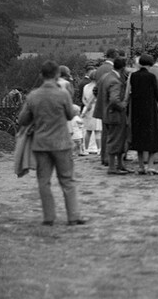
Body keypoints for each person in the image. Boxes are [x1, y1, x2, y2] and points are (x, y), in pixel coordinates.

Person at [17, 60, 85, 226]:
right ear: (56, 75)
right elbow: (70, 115)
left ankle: (49, 218)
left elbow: (23, 120)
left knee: (44, 181)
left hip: (41, 144)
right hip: (62, 143)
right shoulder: (63, 94)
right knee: (67, 180)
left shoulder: (33, 96)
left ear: (41, 75)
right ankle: (73, 216)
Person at [127, 54, 158, 175]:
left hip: (136, 110)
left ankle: (141, 166)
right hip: (149, 110)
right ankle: (150, 166)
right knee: (152, 138)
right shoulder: (151, 77)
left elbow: (130, 92)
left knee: (139, 138)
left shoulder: (133, 76)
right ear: (150, 64)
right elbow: (156, 94)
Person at [104, 57, 131, 175]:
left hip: (109, 113)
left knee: (118, 139)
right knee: (115, 140)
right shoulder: (115, 81)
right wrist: (123, 105)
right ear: (123, 68)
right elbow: (114, 100)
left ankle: (120, 165)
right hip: (116, 115)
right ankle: (112, 167)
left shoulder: (107, 77)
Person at [92, 50, 119, 167]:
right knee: (111, 133)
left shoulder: (99, 69)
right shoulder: (111, 71)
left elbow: (96, 89)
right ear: (114, 57)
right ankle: (108, 157)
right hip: (110, 105)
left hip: (101, 104)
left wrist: (99, 99)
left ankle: (104, 156)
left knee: (104, 132)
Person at [81, 69, 102, 155]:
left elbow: (83, 98)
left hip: (87, 108)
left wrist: (86, 105)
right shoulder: (97, 87)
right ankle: (99, 149)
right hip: (95, 107)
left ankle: (86, 148)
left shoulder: (85, 87)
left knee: (88, 131)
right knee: (97, 131)